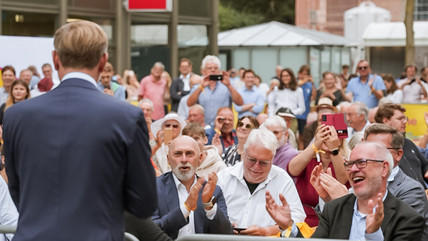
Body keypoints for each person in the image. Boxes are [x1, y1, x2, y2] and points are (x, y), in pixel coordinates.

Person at [3, 20, 157, 241]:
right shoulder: (126, 116)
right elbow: (144, 203)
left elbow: (17, 191)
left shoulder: (16, 116)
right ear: (103, 61)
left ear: (55, 59)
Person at [267, 142, 425, 240]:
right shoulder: (334, 208)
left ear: (384, 168)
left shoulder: (407, 218)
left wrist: (373, 234)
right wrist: (289, 226)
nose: (353, 169)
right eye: (349, 164)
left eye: (361, 163)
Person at [217, 129, 306, 236]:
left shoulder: (282, 179)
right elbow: (207, 215)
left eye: (263, 163)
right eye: (252, 160)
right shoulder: (224, 177)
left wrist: (267, 231)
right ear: (244, 154)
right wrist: (224, 226)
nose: (256, 167)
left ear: (272, 159)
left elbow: (298, 221)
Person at [151, 136, 233, 239]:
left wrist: (209, 206)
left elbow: (226, 235)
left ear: (199, 159)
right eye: (178, 154)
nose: (184, 159)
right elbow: (150, 232)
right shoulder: (153, 188)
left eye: (189, 154)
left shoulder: (213, 191)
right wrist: (185, 209)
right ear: (168, 159)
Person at [364, 123, 428, 239]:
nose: (371, 154)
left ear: (398, 155)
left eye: (380, 149)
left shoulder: (412, 190)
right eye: (367, 148)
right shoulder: (360, 181)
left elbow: (398, 233)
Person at [287, 123, 349, 227]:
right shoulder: (308, 160)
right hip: (304, 220)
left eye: (332, 135)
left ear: (340, 141)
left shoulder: (345, 163)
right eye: (324, 135)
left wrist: (334, 149)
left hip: (333, 222)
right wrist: (315, 145)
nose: (327, 138)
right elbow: (292, 170)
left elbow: (343, 179)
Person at [374, 103, 428, 188]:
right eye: (400, 119)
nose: (405, 122)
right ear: (385, 121)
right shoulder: (378, 148)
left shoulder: (408, 143)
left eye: (405, 119)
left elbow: (425, 164)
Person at [186, 55, 243, 127]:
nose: (213, 70)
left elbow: (240, 103)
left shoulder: (227, 84)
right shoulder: (198, 85)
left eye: (215, 68)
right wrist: (202, 86)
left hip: (223, 127)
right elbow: (189, 103)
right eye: (209, 68)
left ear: (219, 70)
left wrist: (229, 85)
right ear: (203, 71)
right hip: (203, 127)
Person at [296, 65, 316, 136]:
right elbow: (293, 90)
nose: (304, 76)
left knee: (302, 135)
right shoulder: (295, 82)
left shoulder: (310, 85)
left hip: (304, 115)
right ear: (299, 74)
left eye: (306, 74)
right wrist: (302, 83)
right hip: (294, 114)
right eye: (303, 74)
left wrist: (313, 83)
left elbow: (314, 97)